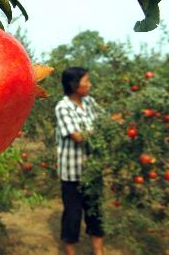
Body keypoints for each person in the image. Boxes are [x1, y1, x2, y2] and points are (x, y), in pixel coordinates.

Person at [55, 67, 104, 255]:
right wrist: (104, 128)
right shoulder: (63, 107)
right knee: (72, 216)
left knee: (95, 214)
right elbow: (78, 136)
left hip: (93, 170)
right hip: (72, 173)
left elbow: (105, 120)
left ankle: (98, 252)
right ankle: (70, 251)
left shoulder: (91, 102)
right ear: (74, 85)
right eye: (86, 81)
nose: (90, 85)